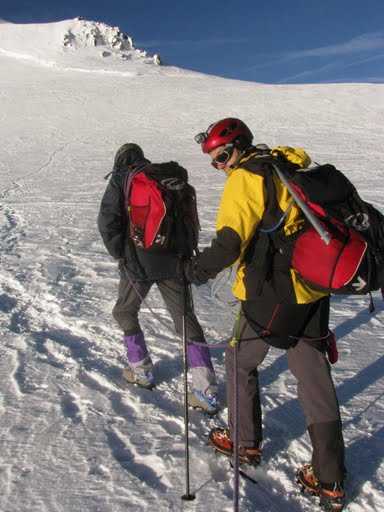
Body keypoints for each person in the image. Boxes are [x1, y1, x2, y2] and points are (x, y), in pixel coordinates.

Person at [186, 119, 346, 510]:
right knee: (314, 376)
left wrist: (195, 270)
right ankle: (331, 479)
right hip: (314, 287)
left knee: (239, 359)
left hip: (273, 293)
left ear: (239, 147)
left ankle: (244, 444)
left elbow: (228, 243)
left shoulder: (247, 178)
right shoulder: (287, 166)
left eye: (223, 157)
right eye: (213, 162)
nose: (221, 167)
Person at [97, 143, 218, 414]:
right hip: (175, 261)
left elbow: (107, 222)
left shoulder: (122, 179)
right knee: (185, 321)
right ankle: (205, 389)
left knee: (124, 311)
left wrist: (121, 255)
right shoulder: (164, 179)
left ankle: (142, 371)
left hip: (138, 263)